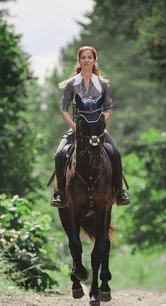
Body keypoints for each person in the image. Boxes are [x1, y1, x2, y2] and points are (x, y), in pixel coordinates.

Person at [50, 45, 131, 208]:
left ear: (94, 60)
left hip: (98, 130)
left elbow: (108, 108)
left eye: (89, 57)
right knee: (59, 154)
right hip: (77, 128)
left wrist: (101, 123)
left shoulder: (102, 84)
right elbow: (63, 109)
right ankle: (60, 195)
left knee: (115, 152)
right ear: (79, 61)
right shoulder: (72, 84)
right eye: (83, 57)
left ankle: (119, 192)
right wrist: (74, 127)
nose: (86, 60)